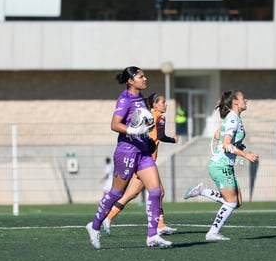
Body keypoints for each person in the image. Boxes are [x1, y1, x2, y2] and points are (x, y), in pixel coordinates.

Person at [85, 66, 172, 249]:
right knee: (116, 193)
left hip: (143, 152)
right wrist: (133, 130)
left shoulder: (141, 97)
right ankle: (94, 226)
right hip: (127, 151)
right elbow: (114, 124)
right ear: (130, 81)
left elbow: (141, 122)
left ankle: (152, 236)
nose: (145, 78)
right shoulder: (125, 99)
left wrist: (145, 136)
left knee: (155, 191)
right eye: (141, 76)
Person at [183, 90, 259, 240]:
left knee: (237, 202)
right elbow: (225, 144)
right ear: (235, 102)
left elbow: (218, 135)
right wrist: (245, 154)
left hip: (225, 165)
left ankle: (203, 191)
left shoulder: (234, 118)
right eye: (243, 98)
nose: (246, 100)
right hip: (220, 166)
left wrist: (236, 144)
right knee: (231, 202)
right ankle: (212, 233)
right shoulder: (232, 119)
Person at [102, 93, 178, 236]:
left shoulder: (147, 115)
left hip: (142, 158)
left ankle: (159, 225)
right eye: (162, 102)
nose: (165, 104)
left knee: (138, 193)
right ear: (155, 104)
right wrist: (173, 140)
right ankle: (108, 218)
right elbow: (161, 136)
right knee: (145, 193)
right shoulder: (159, 117)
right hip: (145, 162)